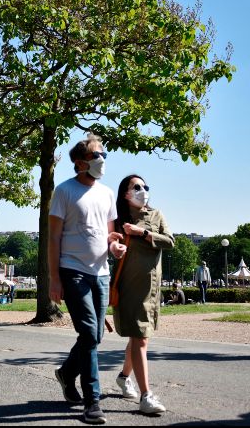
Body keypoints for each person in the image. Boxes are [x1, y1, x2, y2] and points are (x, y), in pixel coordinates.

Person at [49, 134, 127, 424]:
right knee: (89, 333)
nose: (102, 160)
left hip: (101, 272)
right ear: (80, 162)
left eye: (104, 155)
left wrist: (115, 246)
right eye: (97, 155)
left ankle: (66, 373)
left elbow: (109, 234)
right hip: (73, 270)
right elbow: (53, 238)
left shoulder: (107, 193)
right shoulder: (64, 191)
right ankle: (92, 401)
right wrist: (54, 278)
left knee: (95, 336)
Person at [111, 174, 174, 415]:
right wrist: (114, 246)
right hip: (129, 285)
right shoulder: (117, 219)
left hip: (151, 286)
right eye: (136, 187)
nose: (143, 190)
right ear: (125, 193)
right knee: (140, 337)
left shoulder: (156, 215)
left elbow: (170, 242)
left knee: (140, 337)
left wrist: (143, 233)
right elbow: (106, 244)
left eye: (145, 186)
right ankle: (146, 395)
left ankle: (123, 376)